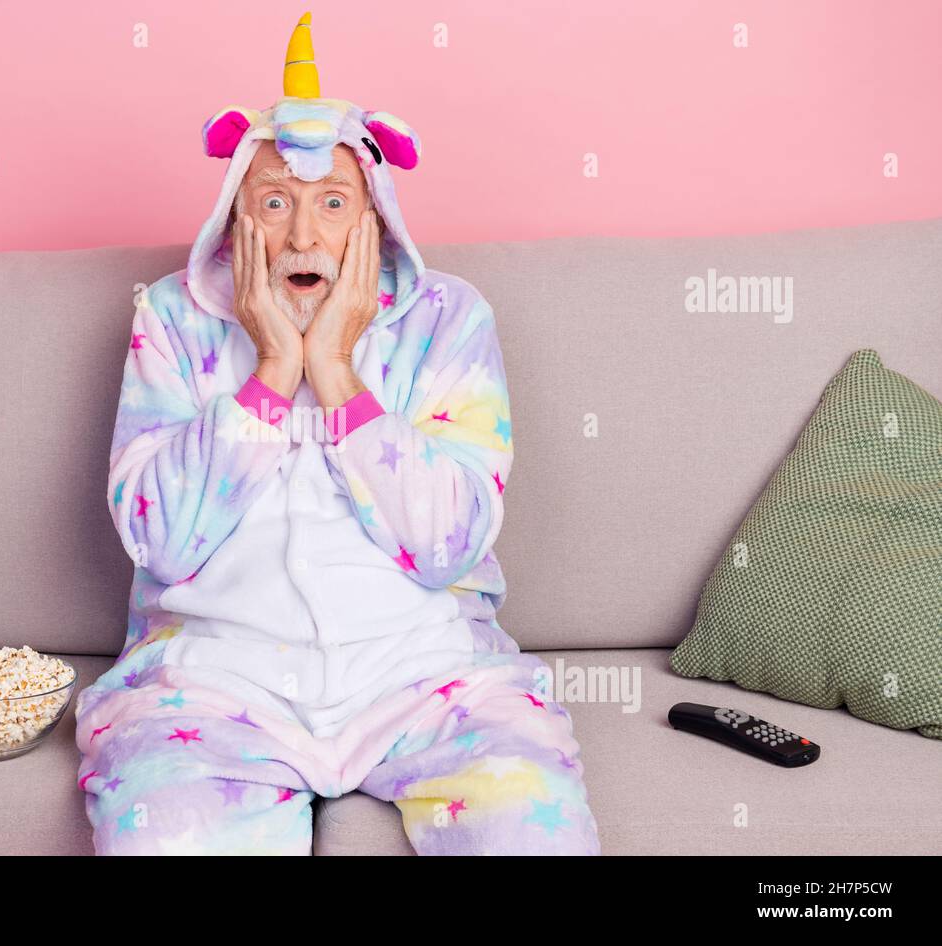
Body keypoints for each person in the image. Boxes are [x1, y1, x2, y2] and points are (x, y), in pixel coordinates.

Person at [74, 12, 600, 856]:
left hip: (424, 674)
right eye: (275, 203)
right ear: (237, 221)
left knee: (534, 828)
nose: (305, 236)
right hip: (213, 683)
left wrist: (339, 374)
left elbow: (448, 545)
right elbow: (159, 542)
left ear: (374, 220)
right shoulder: (172, 318)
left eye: (332, 204)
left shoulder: (447, 320)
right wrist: (274, 369)